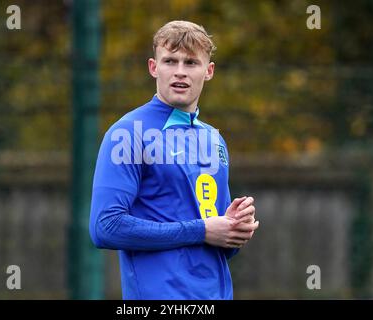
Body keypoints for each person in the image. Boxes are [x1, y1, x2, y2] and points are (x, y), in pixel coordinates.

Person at [89, 20, 259, 300]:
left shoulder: (214, 140)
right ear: (153, 67)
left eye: (191, 62)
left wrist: (234, 229)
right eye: (170, 61)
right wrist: (202, 230)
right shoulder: (128, 133)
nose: (180, 71)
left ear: (209, 71)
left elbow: (220, 244)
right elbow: (105, 227)